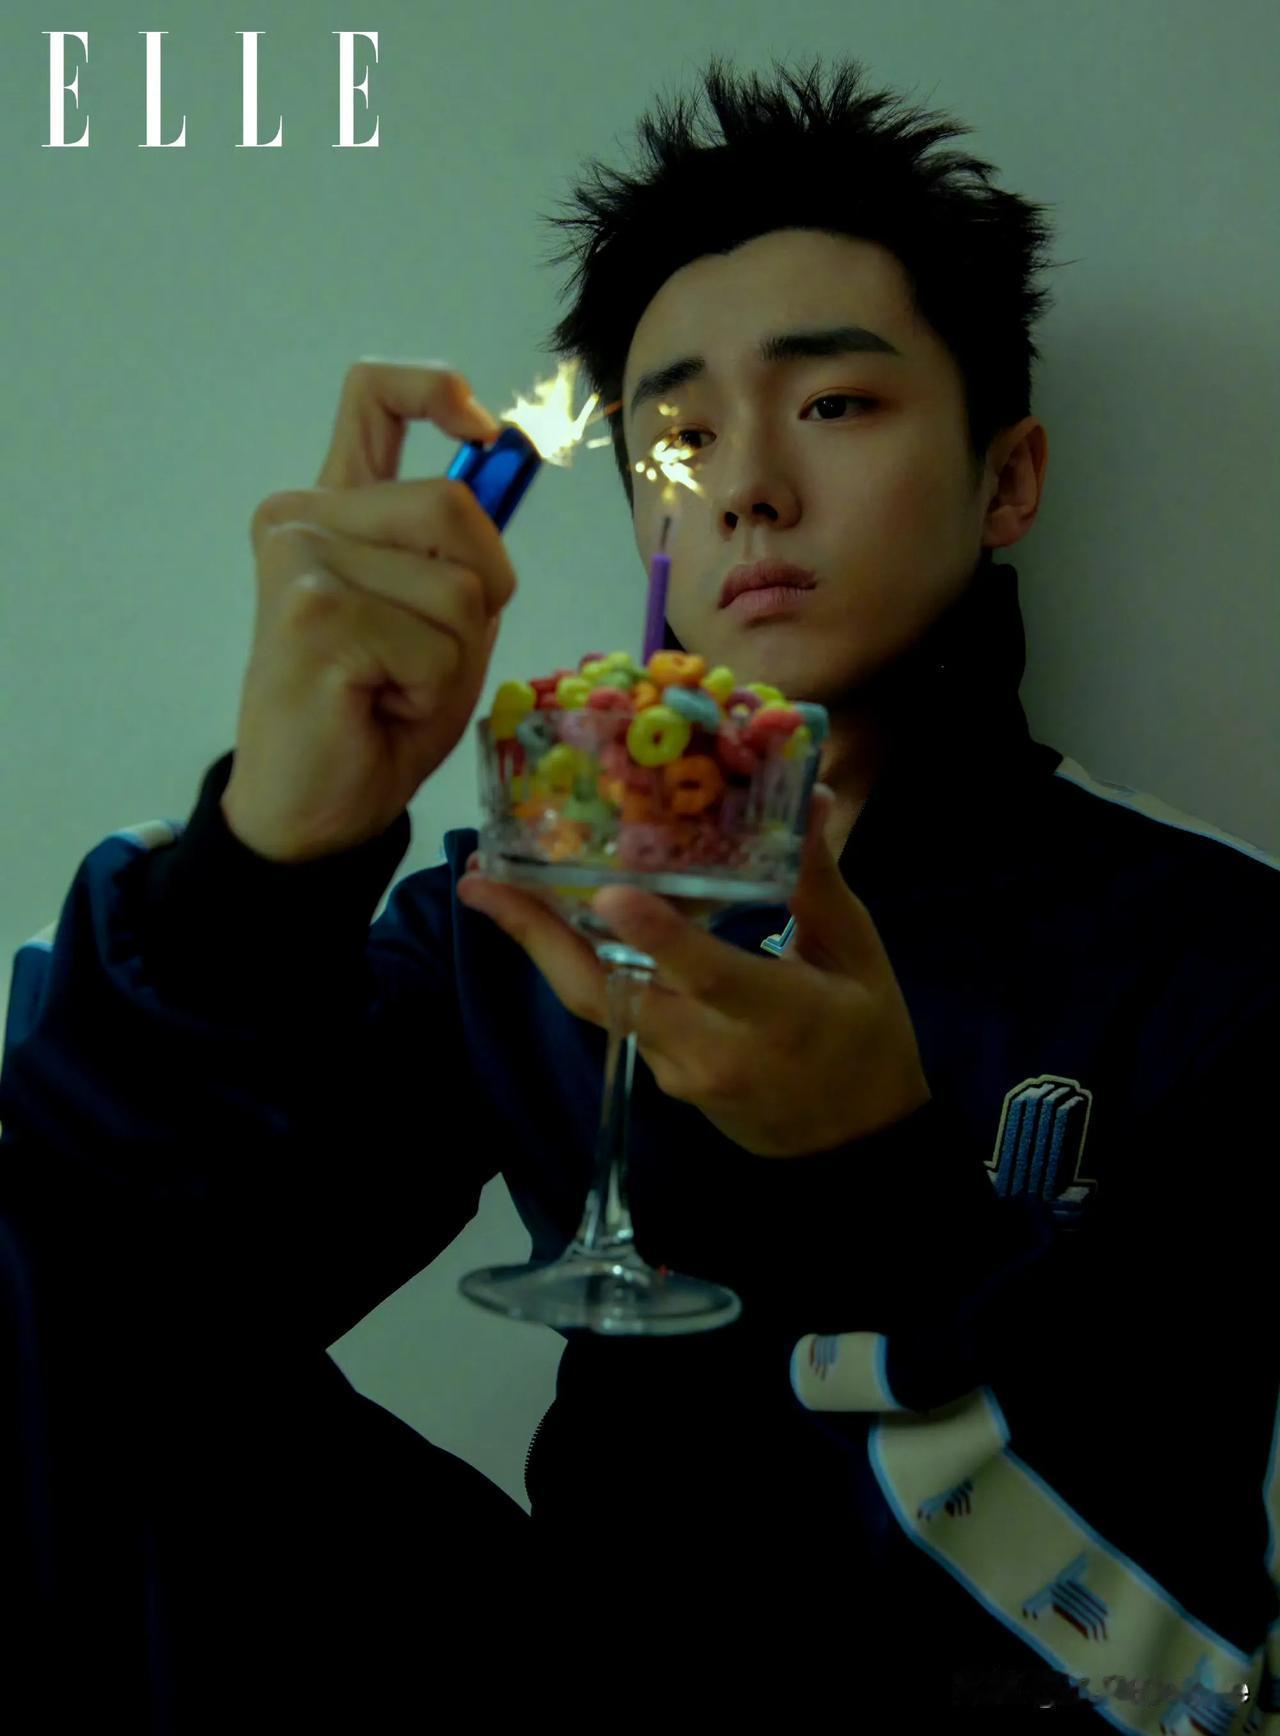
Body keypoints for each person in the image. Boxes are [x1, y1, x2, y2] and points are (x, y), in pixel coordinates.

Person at [2, 52, 1276, 1730]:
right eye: (677, 435)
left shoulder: (1214, 956)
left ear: (1007, 478)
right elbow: (108, 1284)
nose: (746, 484)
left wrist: (879, 1190)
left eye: (835, 403)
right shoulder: (524, 909)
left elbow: (1170, 1671)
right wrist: (268, 862)